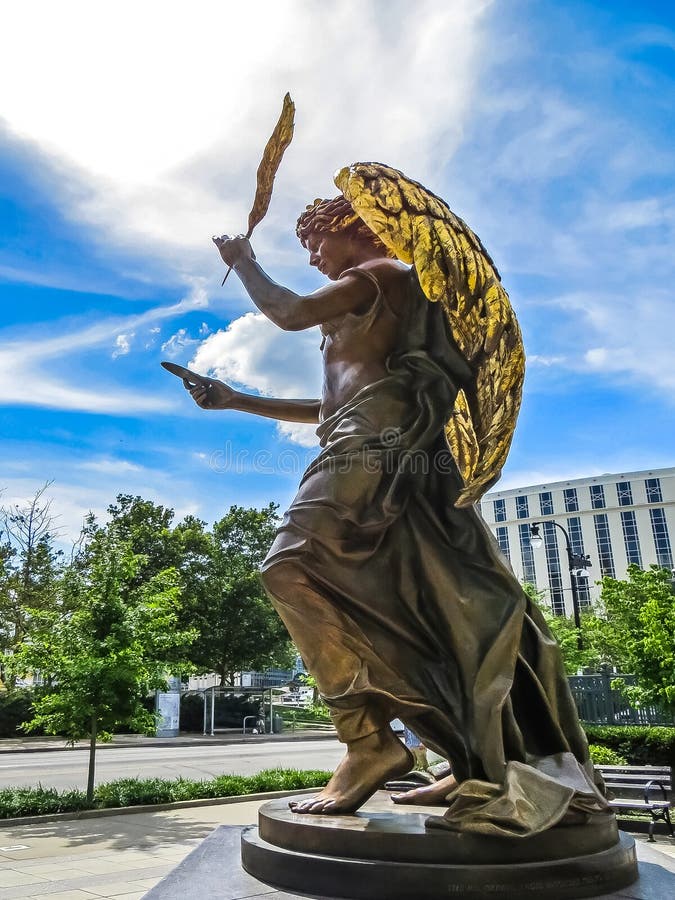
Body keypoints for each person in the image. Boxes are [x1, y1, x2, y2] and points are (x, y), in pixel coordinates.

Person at [187, 190, 608, 835]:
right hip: (365, 444)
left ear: (353, 227)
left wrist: (244, 261)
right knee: (435, 605)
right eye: (303, 248)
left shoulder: (382, 275)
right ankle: (474, 760)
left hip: (373, 451)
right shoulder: (373, 299)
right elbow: (328, 406)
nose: (313, 256)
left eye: (316, 242)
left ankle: (368, 741)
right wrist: (235, 400)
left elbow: (290, 312)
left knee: (288, 568)